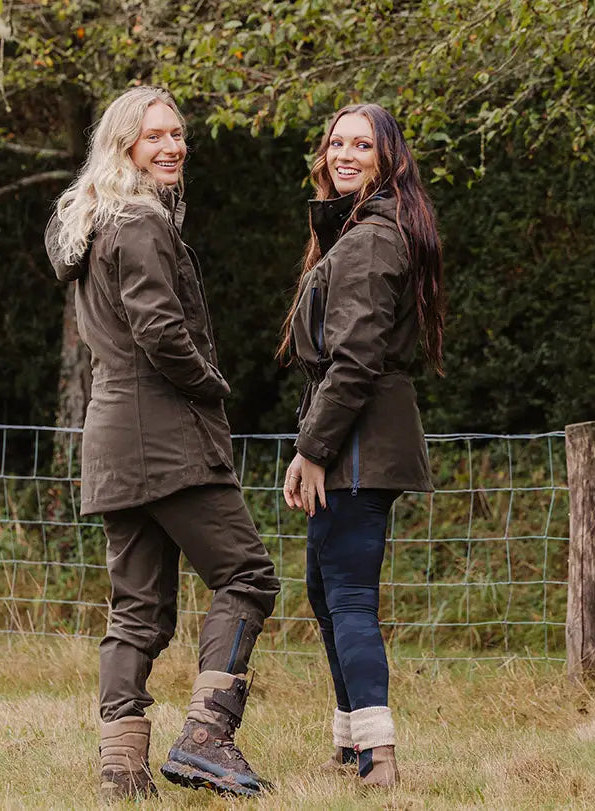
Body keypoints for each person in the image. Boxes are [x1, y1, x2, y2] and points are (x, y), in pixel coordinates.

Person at [44, 86, 280, 800]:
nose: (173, 146)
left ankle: (121, 768)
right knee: (248, 576)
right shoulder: (141, 222)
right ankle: (207, 735)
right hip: (167, 439)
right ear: (124, 147)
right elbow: (158, 329)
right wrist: (211, 383)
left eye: (178, 134)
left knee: (138, 609)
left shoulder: (94, 223)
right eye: (155, 136)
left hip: (113, 438)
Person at [279, 103, 446, 790]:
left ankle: (380, 757)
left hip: (357, 441)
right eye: (335, 143)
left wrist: (312, 448)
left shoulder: (374, 239)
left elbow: (354, 361)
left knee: (347, 596)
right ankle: (351, 747)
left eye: (361, 145)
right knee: (327, 592)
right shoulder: (355, 231)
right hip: (349, 435)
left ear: (388, 159)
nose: (343, 154)